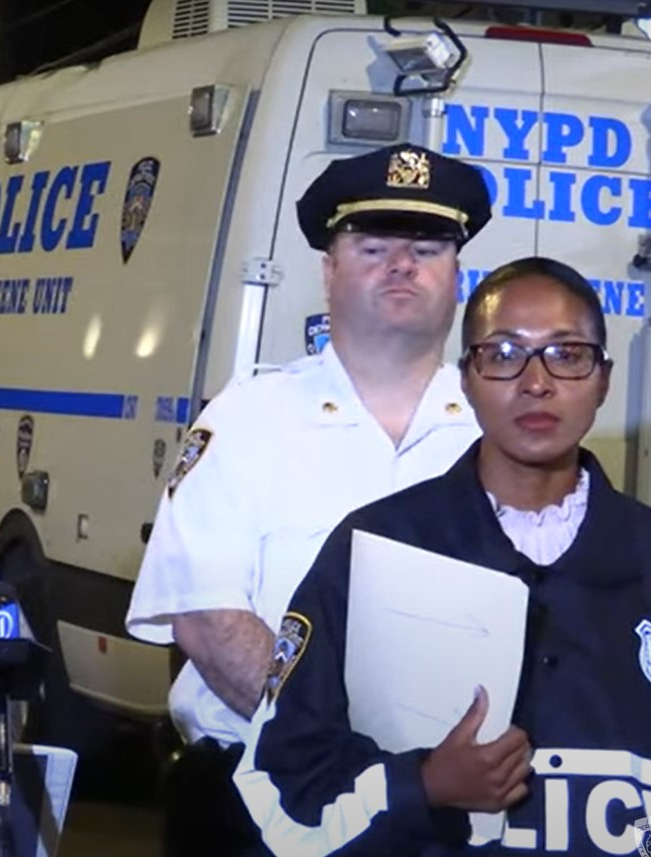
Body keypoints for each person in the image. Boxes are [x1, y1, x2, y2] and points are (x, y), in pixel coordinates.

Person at [125, 142, 492, 856]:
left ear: (457, 275)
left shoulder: (494, 432)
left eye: (426, 249)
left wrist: (413, 780)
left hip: (454, 813)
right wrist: (341, 756)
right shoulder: (245, 419)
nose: (401, 265)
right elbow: (207, 619)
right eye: (373, 247)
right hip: (263, 797)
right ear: (328, 272)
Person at [235, 257, 650, 856]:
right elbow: (280, 787)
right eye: (503, 354)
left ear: (603, 379)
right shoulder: (376, 546)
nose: (537, 382)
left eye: (567, 354)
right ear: (466, 380)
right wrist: (423, 785)